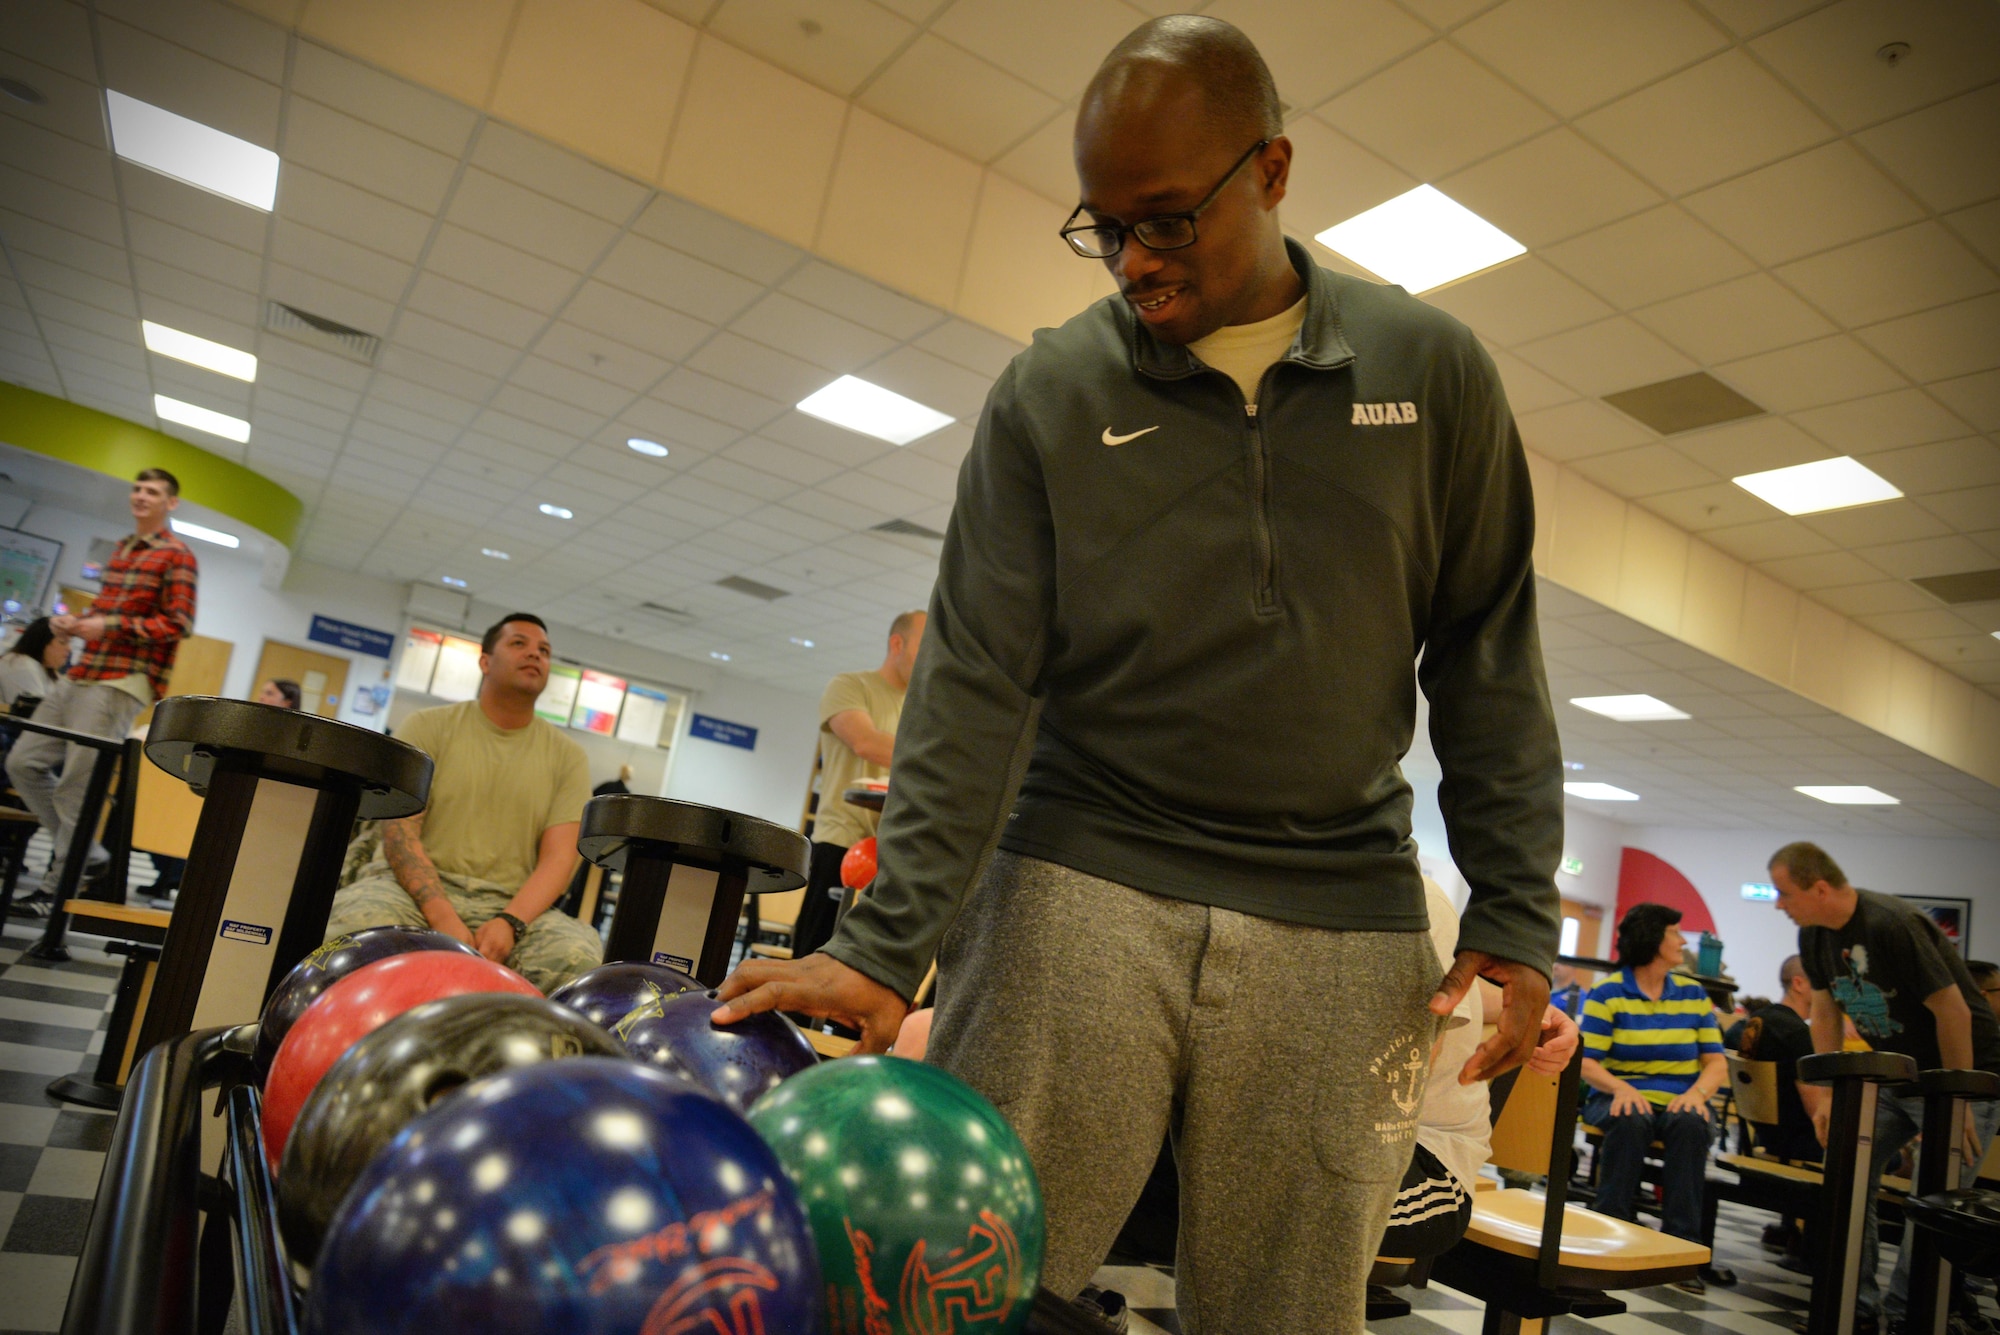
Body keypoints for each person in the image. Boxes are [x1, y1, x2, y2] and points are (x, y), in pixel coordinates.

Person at [714, 17, 1564, 1331]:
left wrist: (1513, 907)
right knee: (973, 1276)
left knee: (1286, 1305)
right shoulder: (1050, 392)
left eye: (1167, 221)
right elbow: (977, 683)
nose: (1135, 265)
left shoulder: (1431, 374)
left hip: (1338, 902)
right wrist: (890, 941)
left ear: (1273, 170)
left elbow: (1487, 648)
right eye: (1106, 226)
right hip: (1081, 867)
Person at [1772, 841, 2000, 1334]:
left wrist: (1956, 1097)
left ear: (1819, 887)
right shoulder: (1815, 935)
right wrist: (1830, 1095)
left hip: (1964, 1073)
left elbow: (1954, 1011)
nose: (1777, 903)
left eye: (1783, 892)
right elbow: (1826, 1012)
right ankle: (1857, 1305)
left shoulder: (1891, 923)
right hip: (1895, 1075)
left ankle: (1908, 1315)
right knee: (1848, 1168)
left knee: (1937, 1196)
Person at [324, 613, 602, 992]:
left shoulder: (568, 757)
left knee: (578, 959)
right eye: (519, 643)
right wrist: (443, 919)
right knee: (354, 933)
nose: (535, 655)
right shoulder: (427, 727)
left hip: (511, 906)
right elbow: (400, 834)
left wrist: (510, 922)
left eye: (544, 650)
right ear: (485, 661)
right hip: (410, 892)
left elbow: (559, 858)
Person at [6, 469, 196, 916]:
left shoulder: (177, 555)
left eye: (152, 492)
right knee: (21, 761)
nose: (141, 497)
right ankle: (89, 856)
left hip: (121, 680)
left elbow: (178, 624)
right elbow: (107, 610)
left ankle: (55, 890)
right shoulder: (123, 549)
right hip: (84, 671)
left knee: (76, 787)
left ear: (171, 503)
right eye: (137, 489)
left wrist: (106, 625)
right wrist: (77, 621)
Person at [1579, 903, 1725, 1287]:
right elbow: (1586, 1062)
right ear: (1652, 938)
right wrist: (1621, 1087)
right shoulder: (1608, 992)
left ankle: (1681, 1248)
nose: (1681, 941)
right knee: (1631, 1119)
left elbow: (1716, 1063)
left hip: (1682, 1097)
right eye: (1674, 932)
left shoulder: (1693, 994)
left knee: (1691, 1124)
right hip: (1615, 1094)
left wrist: (1698, 1094)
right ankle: (1608, 1233)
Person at [789, 610, 924, 960]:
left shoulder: (923, 706)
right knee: (815, 954)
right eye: (926, 644)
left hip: (895, 850)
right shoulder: (849, 686)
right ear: (898, 643)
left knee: (865, 961)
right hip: (842, 841)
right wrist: (932, 758)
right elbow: (865, 742)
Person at [1737, 958, 1822, 1165]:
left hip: (1765, 1136)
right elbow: (1817, 1111)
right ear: (1798, 983)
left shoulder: (1757, 1020)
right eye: (1820, 982)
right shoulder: (1798, 1034)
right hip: (1801, 1146)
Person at [0, 618, 68, 712]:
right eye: (62, 642)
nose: (69, 649)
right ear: (43, 642)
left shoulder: (46, 670)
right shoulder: (22, 665)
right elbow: (39, 715)